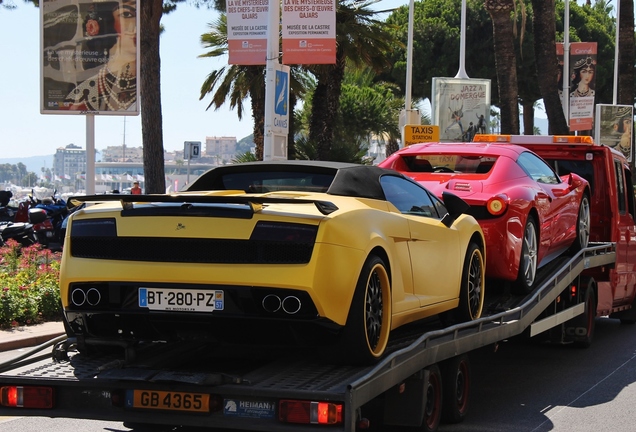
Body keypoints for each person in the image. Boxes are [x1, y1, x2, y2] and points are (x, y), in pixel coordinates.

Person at [65, 0, 137, 111]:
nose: (137, 26)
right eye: (127, 14)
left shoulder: (146, 88)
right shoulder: (82, 95)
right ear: (108, 25)